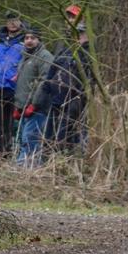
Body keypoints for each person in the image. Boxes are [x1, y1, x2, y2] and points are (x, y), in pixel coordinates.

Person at [45, 21, 93, 154]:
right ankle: (54, 158)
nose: (78, 38)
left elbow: (90, 79)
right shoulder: (66, 50)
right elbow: (53, 69)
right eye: (75, 34)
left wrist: (80, 96)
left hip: (76, 101)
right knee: (52, 132)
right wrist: (47, 86)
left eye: (81, 34)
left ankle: (66, 157)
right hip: (57, 99)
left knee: (68, 132)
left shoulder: (88, 54)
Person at [12, 26, 55, 167]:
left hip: (37, 108)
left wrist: (35, 104)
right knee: (22, 139)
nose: (29, 41)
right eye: (26, 38)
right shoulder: (25, 57)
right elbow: (23, 83)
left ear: (39, 40)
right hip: (23, 107)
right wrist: (18, 106)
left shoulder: (45, 56)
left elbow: (45, 81)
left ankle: (25, 169)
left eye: (33, 38)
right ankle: (25, 167)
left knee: (29, 140)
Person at [0, 10, 25, 156]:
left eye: (15, 20)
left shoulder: (25, 41)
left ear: (20, 22)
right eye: (10, 20)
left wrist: (17, 75)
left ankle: (13, 150)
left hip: (14, 88)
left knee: (13, 121)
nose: (13, 23)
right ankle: (0, 150)